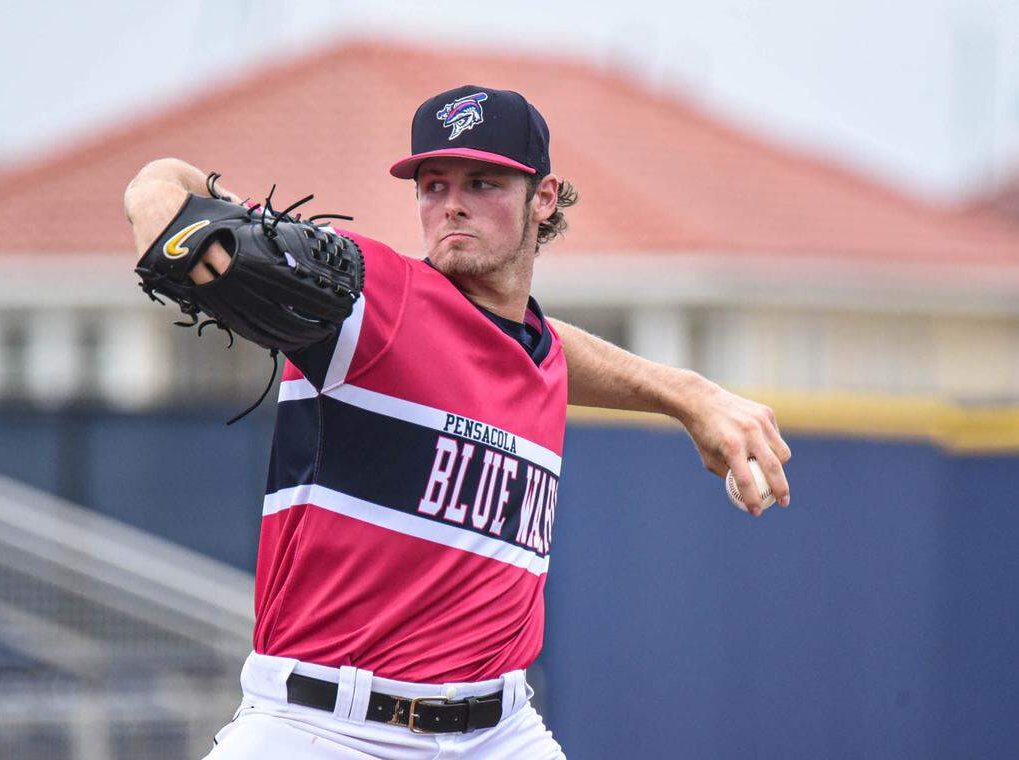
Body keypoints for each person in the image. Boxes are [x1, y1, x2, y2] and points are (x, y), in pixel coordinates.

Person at [123, 85, 791, 759]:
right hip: (324, 727)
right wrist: (179, 196)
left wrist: (691, 395)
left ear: (544, 197)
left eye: (483, 182)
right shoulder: (368, 301)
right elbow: (161, 204)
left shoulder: (539, 351)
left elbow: (542, 346)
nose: (452, 204)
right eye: (432, 184)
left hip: (501, 731)